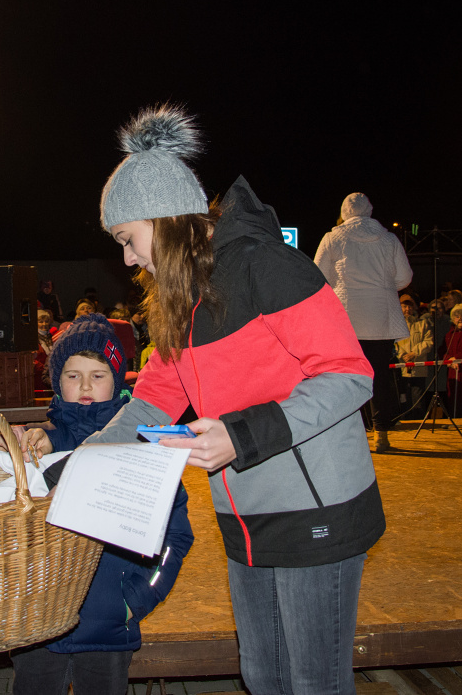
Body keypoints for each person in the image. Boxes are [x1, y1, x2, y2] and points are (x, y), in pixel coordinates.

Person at [86, 105, 385, 695]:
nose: (127, 258)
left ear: (165, 220)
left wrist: (241, 436)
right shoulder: (181, 302)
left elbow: (349, 375)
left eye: (128, 239)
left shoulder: (264, 265)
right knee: (263, 676)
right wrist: (72, 459)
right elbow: (151, 403)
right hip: (245, 515)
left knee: (312, 682)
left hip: (316, 510)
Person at [11, 314, 193, 695]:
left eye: (98, 375)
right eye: (72, 375)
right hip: (38, 629)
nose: (85, 387)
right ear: (56, 381)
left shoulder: (143, 447)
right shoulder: (38, 447)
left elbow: (176, 536)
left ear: (117, 379)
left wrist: (134, 600)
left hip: (107, 630)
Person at [314, 192, 412, 451]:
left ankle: (351, 435)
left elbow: (318, 275)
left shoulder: (333, 238)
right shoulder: (389, 239)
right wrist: (384, 287)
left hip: (347, 318)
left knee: (346, 377)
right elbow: (404, 277)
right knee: (379, 376)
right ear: (369, 209)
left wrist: (341, 286)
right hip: (381, 318)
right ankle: (381, 434)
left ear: (344, 212)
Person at [395, 293, 433, 418]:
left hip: (419, 369)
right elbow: (393, 343)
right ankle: (405, 421)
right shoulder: (396, 325)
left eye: (410, 306)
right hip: (401, 369)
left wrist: (414, 353)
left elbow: (428, 342)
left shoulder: (423, 324)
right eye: (404, 306)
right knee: (403, 398)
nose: (407, 309)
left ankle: (418, 421)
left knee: (418, 399)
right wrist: (403, 355)